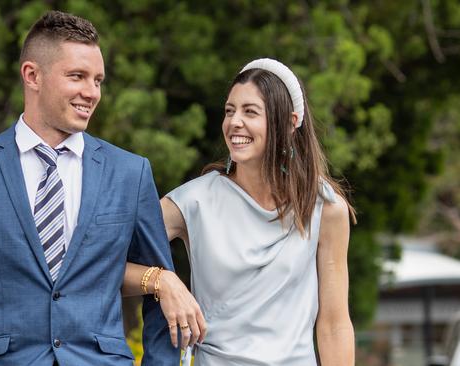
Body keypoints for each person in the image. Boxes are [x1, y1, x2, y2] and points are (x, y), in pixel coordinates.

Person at [0, 10, 194, 366]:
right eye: (77, 76)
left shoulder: (131, 174)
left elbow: (159, 298)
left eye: (98, 80)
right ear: (32, 75)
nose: (91, 93)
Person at [125, 58, 356, 365]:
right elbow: (98, 265)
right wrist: (159, 281)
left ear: (290, 123)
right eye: (230, 110)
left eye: (250, 112)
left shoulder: (325, 208)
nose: (234, 122)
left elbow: (334, 325)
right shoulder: (194, 201)